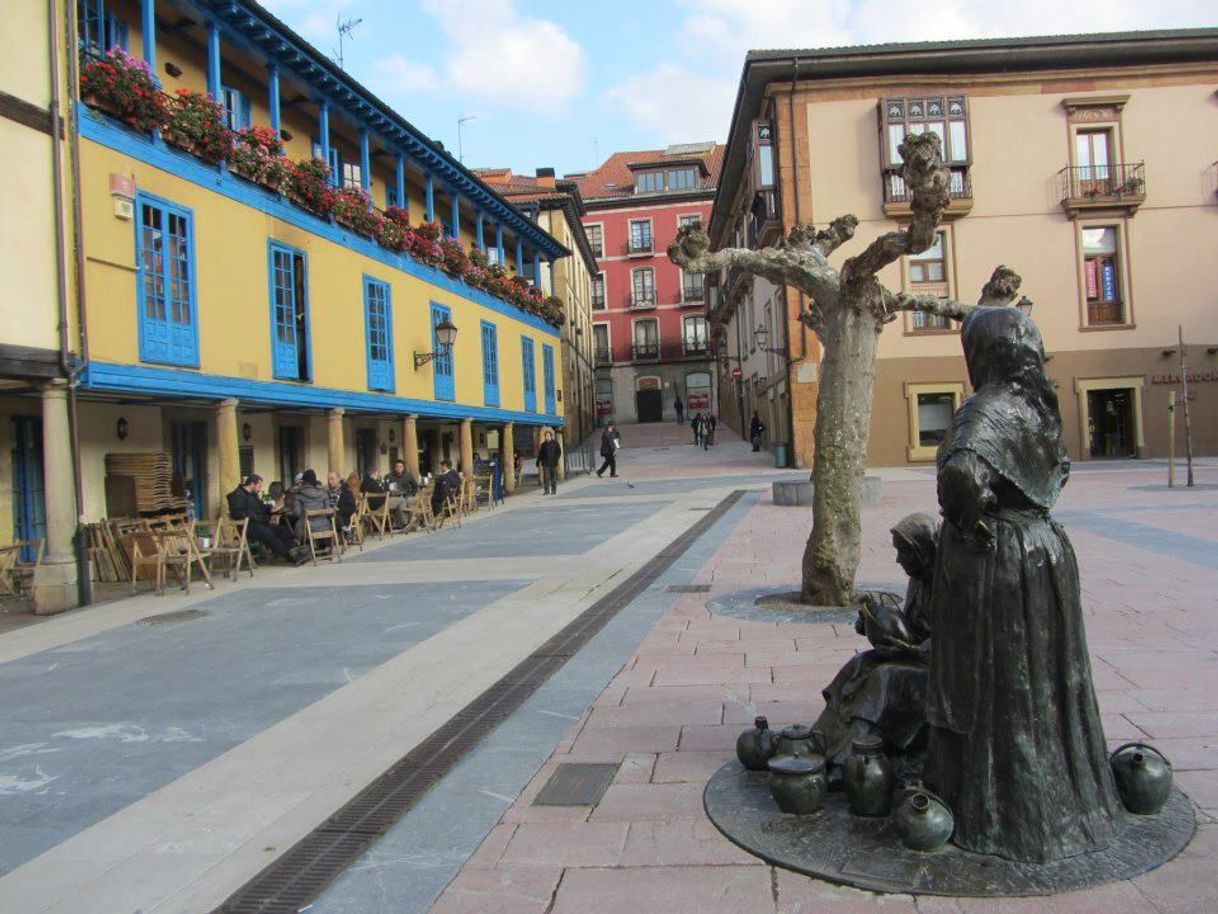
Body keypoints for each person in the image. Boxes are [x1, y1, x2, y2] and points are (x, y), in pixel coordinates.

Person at [924, 306, 1123, 863]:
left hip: (1000, 561)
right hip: (1046, 551)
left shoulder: (983, 410)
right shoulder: (1040, 407)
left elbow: (961, 473)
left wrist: (968, 519)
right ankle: (1066, 802)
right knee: (1049, 678)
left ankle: (994, 811)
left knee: (990, 680)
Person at [813, 513, 937, 783]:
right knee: (858, 665)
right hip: (912, 655)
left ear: (922, 551)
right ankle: (819, 741)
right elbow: (910, 626)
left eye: (903, 552)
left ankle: (846, 760)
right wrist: (873, 623)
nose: (898, 560)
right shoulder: (918, 580)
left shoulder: (948, 585)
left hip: (936, 670)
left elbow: (953, 640)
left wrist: (913, 650)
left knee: (884, 678)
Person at [226, 474, 305, 564]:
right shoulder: (237, 495)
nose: (260, 489)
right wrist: (254, 516)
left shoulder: (253, 494)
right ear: (252, 484)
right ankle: (290, 555)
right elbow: (236, 513)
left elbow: (260, 505)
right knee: (270, 535)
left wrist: (269, 508)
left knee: (282, 530)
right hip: (248, 527)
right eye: (259, 486)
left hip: (259, 523)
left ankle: (297, 550)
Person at [292, 469, 331, 543]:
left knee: (296, 524)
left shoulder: (298, 495)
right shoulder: (324, 493)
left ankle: (300, 546)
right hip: (325, 526)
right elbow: (328, 510)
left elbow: (297, 514)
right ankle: (324, 545)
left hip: (308, 527)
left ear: (303, 481)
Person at [385, 458, 417, 528]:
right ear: (394, 467)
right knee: (400, 502)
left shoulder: (408, 476)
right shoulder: (389, 476)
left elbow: (415, 487)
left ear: (403, 468)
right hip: (394, 497)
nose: (399, 468)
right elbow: (386, 488)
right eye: (397, 467)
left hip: (407, 495)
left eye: (400, 467)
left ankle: (405, 523)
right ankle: (407, 523)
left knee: (408, 501)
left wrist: (412, 494)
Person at [537, 430, 562, 495]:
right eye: (546, 436)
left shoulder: (555, 443)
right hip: (545, 463)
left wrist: (556, 458)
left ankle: (553, 490)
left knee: (553, 477)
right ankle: (546, 490)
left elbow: (558, 452)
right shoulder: (543, 445)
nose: (547, 437)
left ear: (551, 436)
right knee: (546, 477)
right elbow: (540, 454)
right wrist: (538, 461)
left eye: (548, 436)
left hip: (553, 462)